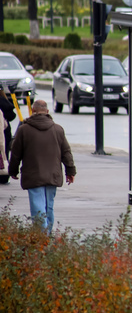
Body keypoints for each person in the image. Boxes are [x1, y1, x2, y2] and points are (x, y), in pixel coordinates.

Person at [8, 100, 76, 233]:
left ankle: (41, 235)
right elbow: (66, 152)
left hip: (33, 175)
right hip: (53, 174)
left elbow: (16, 153)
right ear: (47, 112)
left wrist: (13, 170)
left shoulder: (24, 130)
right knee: (49, 205)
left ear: (32, 111)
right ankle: (47, 233)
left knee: (37, 205)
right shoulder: (58, 129)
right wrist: (70, 171)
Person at [0, 89, 16, 184]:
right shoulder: (3, 101)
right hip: (4, 132)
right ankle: (4, 175)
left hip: (3, 131)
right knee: (3, 153)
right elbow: (11, 116)